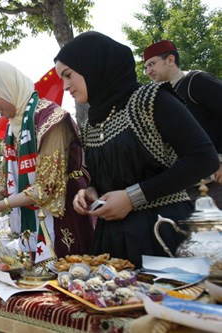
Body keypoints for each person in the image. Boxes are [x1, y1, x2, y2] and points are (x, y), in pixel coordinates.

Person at [53, 31, 219, 268]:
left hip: (161, 234)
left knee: (162, 304)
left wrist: (133, 198)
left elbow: (204, 158)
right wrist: (91, 192)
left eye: (68, 75)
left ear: (93, 66)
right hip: (112, 242)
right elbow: (109, 179)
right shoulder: (90, 124)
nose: (66, 86)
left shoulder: (149, 100)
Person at [0, 61, 95, 263]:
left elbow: (46, 187)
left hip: (64, 217)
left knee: (64, 283)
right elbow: (6, 185)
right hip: (33, 224)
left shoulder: (50, 118)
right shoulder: (12, 130)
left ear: (7, 87)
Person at [143, 40, 222, 206]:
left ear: (170, 60)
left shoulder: (196, 80)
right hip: (187, 188)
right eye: (146, 67)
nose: (148, 71)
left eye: (152, 64)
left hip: (216, 182)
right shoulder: (161, 98)